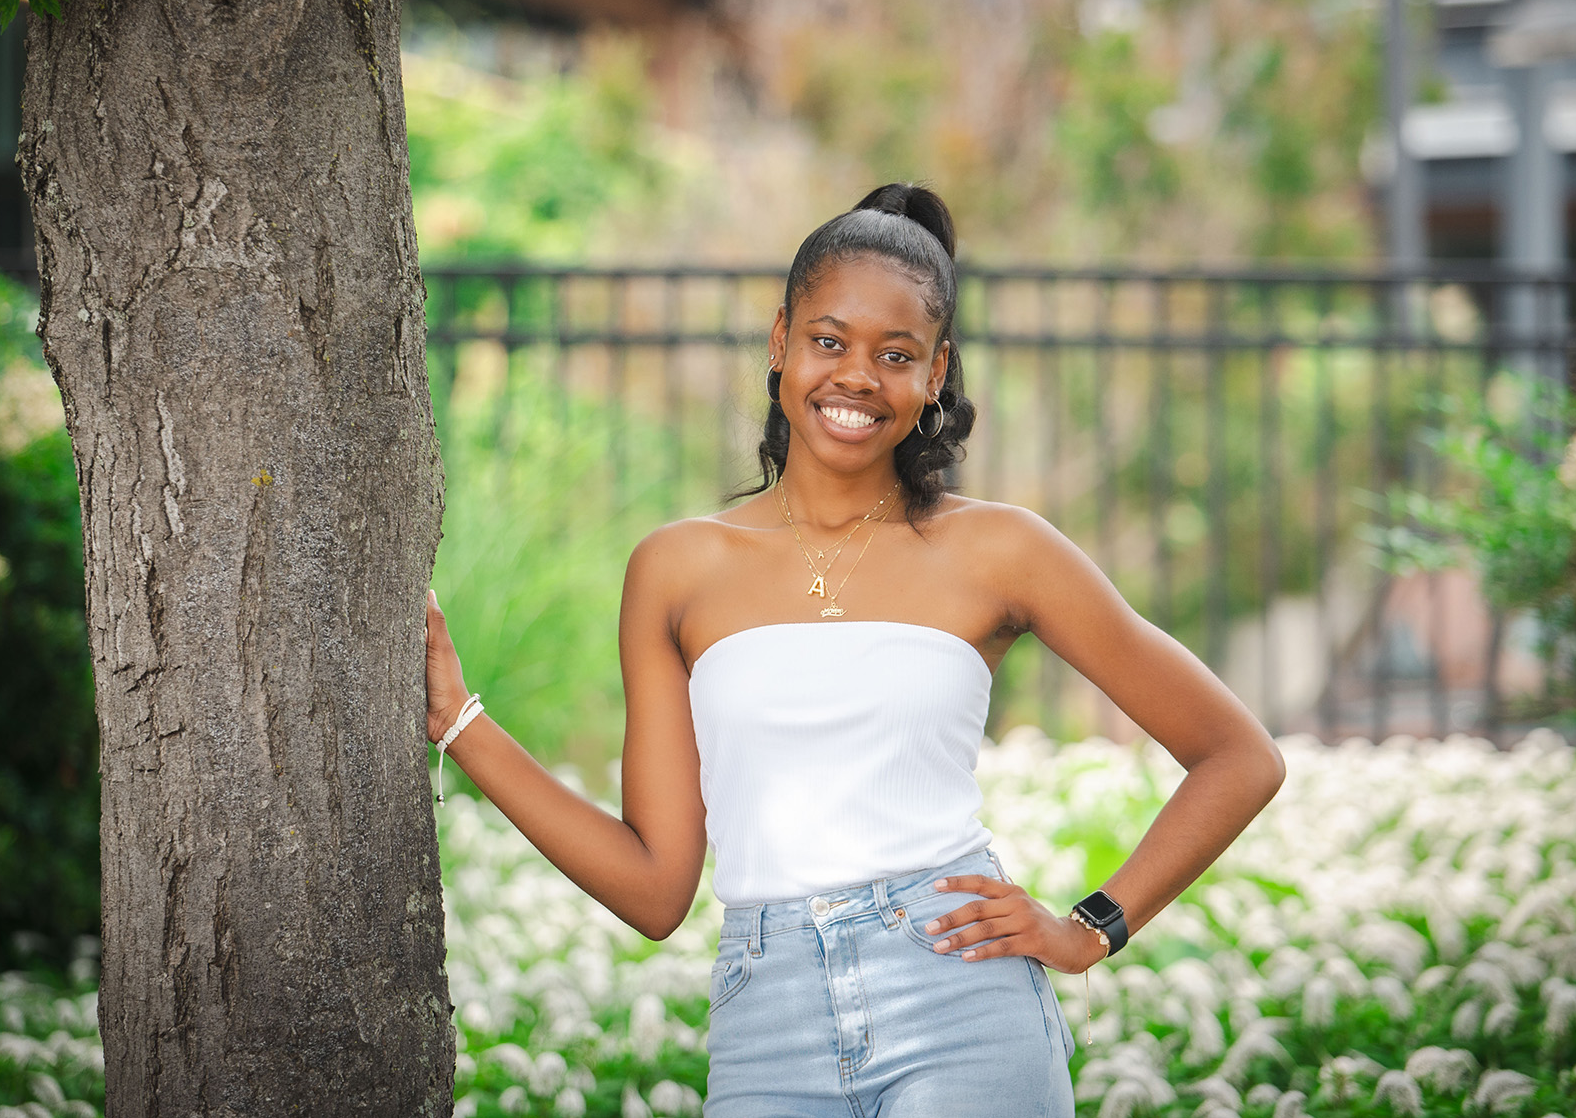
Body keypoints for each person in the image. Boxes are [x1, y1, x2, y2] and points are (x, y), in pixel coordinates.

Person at [423, 183, 1285, 1116]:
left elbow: (1239, 756)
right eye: (830, 341)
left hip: (963, 996)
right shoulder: (678, 569)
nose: (857, 377)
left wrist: (1091, 928)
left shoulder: (1001, 550)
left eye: (897, 354)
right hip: (767, 1013)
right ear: (780, 339)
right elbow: (655, 887)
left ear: (936, 371)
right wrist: (459, 722)